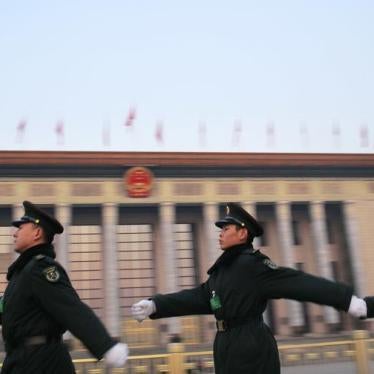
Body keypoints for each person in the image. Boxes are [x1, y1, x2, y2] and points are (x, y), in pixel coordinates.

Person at [131, 202, 374, 374]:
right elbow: (200, 297)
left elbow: (298, 283)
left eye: (226, 229)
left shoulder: (252, 265)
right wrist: (156, 304)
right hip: (225, 343)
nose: (220, 234)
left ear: (243, 233)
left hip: (251, 343)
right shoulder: (222, 270)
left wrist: (348, 301)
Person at [0, 201, 129, 373]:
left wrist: (106, 345)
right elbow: (7, 307)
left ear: (37, 233)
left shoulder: (41, 268)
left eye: (21, 228)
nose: (15, 234)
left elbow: (71, 308)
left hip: (43, 364)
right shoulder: (23, 273)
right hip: (20, 360)